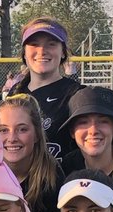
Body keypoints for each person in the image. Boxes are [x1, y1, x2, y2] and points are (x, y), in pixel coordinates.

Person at [6, 17, 82, 157]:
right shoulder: (15, 92)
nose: (42, 51)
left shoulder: (77, 94)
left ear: (63, 51)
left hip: (63, 177)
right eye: (34, 44)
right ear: (24, 53)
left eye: (51, 44)